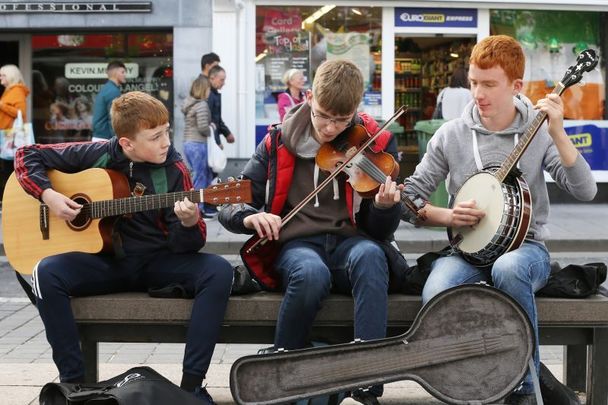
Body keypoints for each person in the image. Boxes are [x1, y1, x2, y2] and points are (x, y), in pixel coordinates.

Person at [402, 35, 597, 405]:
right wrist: (446, 214)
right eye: (474, 82)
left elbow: (585, 190)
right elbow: (410, 198)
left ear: (516, 86)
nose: (478, 93)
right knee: (436, 290)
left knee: (508, 268)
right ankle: (471, 383)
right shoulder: (451, 135)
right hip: (466, 252)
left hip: (527, 250)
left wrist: (558, 130)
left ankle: (523, 389)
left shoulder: (538, 133)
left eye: (489, 84)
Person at [15, 91, 233, 404]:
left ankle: (191, 387)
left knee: (218, 270)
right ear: (127, 143)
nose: (165, 142)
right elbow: (26, 155)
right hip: (105, 263)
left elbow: (190, 244)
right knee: (45, 273)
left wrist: (188, 223)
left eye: (167, 132)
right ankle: (73, 385)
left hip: (156, 263)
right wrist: (48, 195)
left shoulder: (174, 170)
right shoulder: (99, 153)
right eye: (155, 136)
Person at [219, 59, 403, 405]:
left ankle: (367, 381)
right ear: (308, 98)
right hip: (298, 245)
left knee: (371, 256)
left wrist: (384, 207)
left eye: (341, 119)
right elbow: (234, 199)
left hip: (351, 242)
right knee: (310, 272)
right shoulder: (277, 141)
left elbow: (381, 231)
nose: (330, 128)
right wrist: (248, 217)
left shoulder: (375, 143)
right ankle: (284, 373)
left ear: (355, 112)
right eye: (322, 115)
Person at [182, 75, 217, 218]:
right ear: (204, 89)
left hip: (188, 143)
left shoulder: (189, 103)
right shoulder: (202, 104)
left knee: (197, 176)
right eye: (208, 88)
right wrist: (212, 128)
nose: (209, 91)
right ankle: (199, 210)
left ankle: (200, 208)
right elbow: (203, 127)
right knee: (200, 178)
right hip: (198, 143)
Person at [0, 64, 30, 201]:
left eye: (3, 75)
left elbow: (20, 113)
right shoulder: (9, 90)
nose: (0, 78)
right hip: (6, 136)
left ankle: (11, 199)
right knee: (7, 167)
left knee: (10, 168)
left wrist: (2, 105)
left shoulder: (17, 91)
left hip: (11, 137)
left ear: (11, 76)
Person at [92, 60, 126, 141]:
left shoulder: (106, 88)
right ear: (115, 73)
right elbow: (114, 118)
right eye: (123, 72)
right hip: (106, 139)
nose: (125, 75)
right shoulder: (113, 91)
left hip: (100, 137)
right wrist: (117, 139)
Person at [207, 65, 236, 147]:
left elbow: (217, 119)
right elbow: (209, 122)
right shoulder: (208, 95)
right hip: (209, 142)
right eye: (222, 80)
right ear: (212, 78)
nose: (223, 83)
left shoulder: (214, 94)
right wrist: (217, 142)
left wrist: (227, 133)